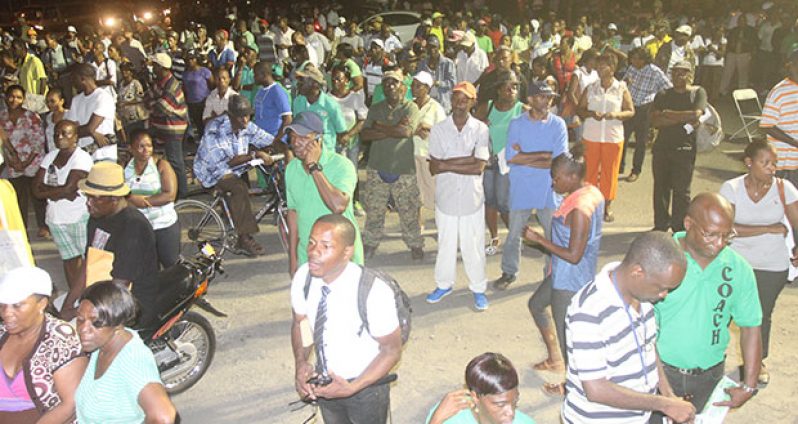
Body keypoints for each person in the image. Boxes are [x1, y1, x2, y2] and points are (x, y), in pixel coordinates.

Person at [562, 232, 697, 423]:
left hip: (637, 416)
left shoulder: (644, 296)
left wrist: (669, 395)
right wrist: (663, 404)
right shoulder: (589, 311)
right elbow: (596, 389)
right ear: (637, 272)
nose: (664, 295)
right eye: (662, 287)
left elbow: (648, 347)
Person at [655, 193, 762, 412]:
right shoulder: (660, 256)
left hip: (709, 376)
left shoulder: (738, 268)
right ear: (688, 224)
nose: (719, 243)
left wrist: (749, 384)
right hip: (657, 372)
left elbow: (751, 327)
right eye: (710, 235)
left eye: (726, 235)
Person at [291, 214, 401, 423]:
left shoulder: (372, 291)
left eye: (326, 245)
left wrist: (352, 387)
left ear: (347, 252)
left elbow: (391, 350)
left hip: (366, 387)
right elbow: (302, 323)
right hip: (326, 380)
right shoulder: (303, 277)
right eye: (312, 242)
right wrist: (302, 362)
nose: (314, 252)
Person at [719, 140, 798, 385]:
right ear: (749, 163)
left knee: (761, 315)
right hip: (734, 262)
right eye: (765, 163)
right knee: (723, 312)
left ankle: (757, 361)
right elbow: (726, 228)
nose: (771, 168)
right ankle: (713, 357)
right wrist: (768, 228)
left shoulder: (785, 189)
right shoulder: (731, 188)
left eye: (774, 163)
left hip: (771, 263)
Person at [524, 152, 604, 394]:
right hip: (561, 272)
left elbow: (573, 255)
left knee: (567, 334)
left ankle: (573, 386)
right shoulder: (589, 191)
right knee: (536, 304)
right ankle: (554, 359)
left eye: (556, 178)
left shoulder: (579, 210)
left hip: (570, 279)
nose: (553, 182)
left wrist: (538, 240)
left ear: (571, 176)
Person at [493, 82, 568, 290]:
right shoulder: (517, 123)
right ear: (531, 99)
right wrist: (544, 155)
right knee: (514, 233)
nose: (547, 101)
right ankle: (509, 272)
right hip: (522, 186)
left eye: (550, 97)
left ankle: (551, 275)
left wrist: (525, 155)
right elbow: (511, 157)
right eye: (543, 97)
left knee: (553, 235)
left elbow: (558, 161)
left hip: (549, 187)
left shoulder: (558, 124)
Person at [425, 82, 490, 311]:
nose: (459, 103)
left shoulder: (480, 129)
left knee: (473, 246)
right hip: (447, 197)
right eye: (456, 98)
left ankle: (479, 288)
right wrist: (466, 160)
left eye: (465, 99)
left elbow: (479, 167)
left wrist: (446, 163)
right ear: (451, 101)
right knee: (446, 244)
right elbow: (434, 168)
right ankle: (444, 284)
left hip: (472, 199)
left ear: (473, 102)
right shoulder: (439, 129)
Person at [75, 281, 176, 423]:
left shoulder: (132, 361)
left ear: (117, 324)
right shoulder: (103, 344)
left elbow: (163, 416)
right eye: (80, 319)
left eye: (96, 322)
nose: (83, 329)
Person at [0, 266, 87, 423]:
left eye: (17, 305)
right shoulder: (2, 334)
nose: (6, 313)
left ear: (41, 304)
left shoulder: (60, 338)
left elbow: (71, 404)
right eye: (2, 304)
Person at [193, 95, 274, 257]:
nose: (245, 120)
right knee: (239, 188)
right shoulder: (216, 129)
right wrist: (255, 154)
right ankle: (243, 238)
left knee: (239, 187)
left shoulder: (246, 125)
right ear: (230, 116)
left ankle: (233, 217)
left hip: (234, 169)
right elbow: (228, 162)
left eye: (248, 115)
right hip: (211, 171)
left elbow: (267, 139)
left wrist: (285, 148)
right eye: (241, 116)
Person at [286, 111, 362, 275]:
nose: (296, 143)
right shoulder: (292, 169)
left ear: (318, 140)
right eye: (292, 137)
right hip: (308, 257)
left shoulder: (342, 165)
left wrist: (314, 167)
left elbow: (338, 205)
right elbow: (293, 214)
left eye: (304, 137)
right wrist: (293, 259)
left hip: (340, 258)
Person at [360, 68, 424, 261]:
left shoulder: (410, 108)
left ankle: (415, 245)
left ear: (402, 87)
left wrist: (379, 127)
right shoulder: (376, 108)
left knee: (409, 211)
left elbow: (406, 132)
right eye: (386, 83)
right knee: (375, 210)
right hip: (377, 167)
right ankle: (370, 244)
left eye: (394, 82)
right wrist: (393, 129)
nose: (390, 86)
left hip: (403, 169)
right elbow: (364, 134)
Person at [32, 120, 93, 302]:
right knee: (69, 259)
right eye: (56, 134)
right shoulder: (50, 156)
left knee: (87, 260)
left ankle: (90, 297)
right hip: (55, 218)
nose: (60, 137)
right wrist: (60, 192)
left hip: (78, 216)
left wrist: (48, 191)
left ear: (75, 137)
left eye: (65, 133)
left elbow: (70, 188)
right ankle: (75, 297)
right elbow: (35, 189)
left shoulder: (81, 158)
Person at [577, 53, 635, 222]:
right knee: (590, 172)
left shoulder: (621, 88)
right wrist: (590, 113)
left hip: (613, 137)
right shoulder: (591, 87)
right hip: (592, 136)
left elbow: (630, 111)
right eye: (599, 66)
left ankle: (606, 206)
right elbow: (580, 109)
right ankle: (590, 204)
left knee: (610, 173)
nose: (600, 69)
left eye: (604, 66)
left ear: (613, 68)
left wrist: (615, 115)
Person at [650, 60, 706, 232]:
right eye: (675, 72)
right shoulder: (663, 94)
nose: (678, 76)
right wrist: (684, 117)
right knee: (660, 188)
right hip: (662, 148)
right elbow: (655, 120)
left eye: (683, 72)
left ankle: (679, 227)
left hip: (685, 149)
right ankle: (660, 225)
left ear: (690, 75)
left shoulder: (698, 93)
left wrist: (668, 114)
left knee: (682, 192)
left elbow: (696, 114)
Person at [480, 70, 525, 256]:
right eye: (508, 86)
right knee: (489, 201)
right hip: (488, 162)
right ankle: (494, 237)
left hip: (509, 165)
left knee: (504, 203)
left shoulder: (522, 109)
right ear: (498, 89)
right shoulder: (487, 107)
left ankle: (515, 238)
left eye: (515, 86)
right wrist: (481, 122)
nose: (512, 90)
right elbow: (471, 126)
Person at [425, 352, 536, 424]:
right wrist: (435, 421)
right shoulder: (448, 416)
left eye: (514, 401)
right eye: (500, 404)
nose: (511, 413)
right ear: (475, 397)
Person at [124, 130, 179, 268]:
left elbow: (170, 194)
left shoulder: (161, 165)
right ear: (130, 148)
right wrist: (130, 198)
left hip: (162, 224)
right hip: (138, 226)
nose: (146, 150)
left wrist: (143, 202)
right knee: (147, 267)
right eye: (141, 146)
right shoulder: (124, 167)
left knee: (170, 264)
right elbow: (118, 191)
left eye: (149, 145)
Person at [0, 84, 47, 238]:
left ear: (24, 99)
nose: (15, 100)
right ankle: (21, 229)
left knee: (37, 195)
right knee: (19, 199)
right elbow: (3, 143)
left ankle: (43, 226)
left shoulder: (32, 117)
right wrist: (11, 162)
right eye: (12, 96)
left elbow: (38, 142)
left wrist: (25, 163)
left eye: (19, 97)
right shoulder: (2, 117)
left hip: (32, 162)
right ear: (6, 98)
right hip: (13, 164)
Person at [621, 47, 671, 182]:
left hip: (644, 108)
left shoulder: (655, 72)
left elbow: (668, 88)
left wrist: (657, 104)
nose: (633, 60)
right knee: (622, 138)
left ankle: (636, 170)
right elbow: (623, 83)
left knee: (640, 142)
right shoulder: (631, 68)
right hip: (629, 106)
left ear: (643, 60)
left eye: (636, 58)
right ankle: (620, 166)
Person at [148, 53, 189, 199]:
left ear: (161, 67)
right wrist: (154, 105)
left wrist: (153, 105)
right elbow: (148, 100)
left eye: (155, 65)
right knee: (163, 160)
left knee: (175, 161)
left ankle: (182, 193)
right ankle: (171, 188)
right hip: (161, 127)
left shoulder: (172, 84)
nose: (152, 68)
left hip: (173, 128)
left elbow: (162, 107)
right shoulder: (158, 83)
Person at [760, 49, 798, 189]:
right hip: (782, 161)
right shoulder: (779, 91)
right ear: (790, 66)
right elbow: (767, 125)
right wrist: (794, 142)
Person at [65, 63, 117, 162]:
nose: (72, 83)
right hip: (84, 155)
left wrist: (90, 131)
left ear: (82, 79)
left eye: (73, 79)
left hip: (103, 155)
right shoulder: (76, 100)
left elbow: (89, 127)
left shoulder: (103, 97)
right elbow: (71, 129)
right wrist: (90, 132)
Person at [411, 71, 447, 214]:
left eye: (418, 86)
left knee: (433, 189)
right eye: (413, 85)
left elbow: (444, 132)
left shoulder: (435, 107)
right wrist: (415, 130)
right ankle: (418, 225)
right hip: (411, 153)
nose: (414, 88)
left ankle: (441, 220)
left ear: (427, 88)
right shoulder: (409, 106)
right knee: (415, 192)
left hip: (428, 155)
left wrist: (428, 128)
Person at [292, 66, 348, 152]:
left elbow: (342, 132)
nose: (298, 84)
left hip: (326, 153)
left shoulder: (330, 104)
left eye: (302, 81)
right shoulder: (298, 102)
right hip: (304, 151)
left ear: (315, 84)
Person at [329, 64, 367, 174]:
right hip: (333, 144)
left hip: (352, 143)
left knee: (351, 173)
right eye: (333, 79)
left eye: (338, 79)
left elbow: (362, 120)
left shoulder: (355, 97)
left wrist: (348, 135)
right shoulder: (327, 98)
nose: (335, 82)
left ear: (346, 80)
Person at [253, 61, 292, 144]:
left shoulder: (277, 91)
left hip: (273, 138)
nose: (254, 77)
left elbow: (288, 119)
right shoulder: (260, 91)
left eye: (256, 75)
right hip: (260, 138)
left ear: (264, 75)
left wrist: (276, 141)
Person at [419, 36, 456, 113]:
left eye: (434, 47)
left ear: (439, 47)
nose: (432, 49)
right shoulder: (422, 63)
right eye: (429, 47)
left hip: (443, 104)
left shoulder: (448, 63)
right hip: (427, 104)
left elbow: (453, 83)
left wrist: (438, 83)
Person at [182, 51, 212, 138]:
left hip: (204, 102)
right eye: (188, 59)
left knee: (206, 123)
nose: (190, 61)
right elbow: (184, 88)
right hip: (192, 103)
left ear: (196, 59)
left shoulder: (204, 71)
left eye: (192, 59)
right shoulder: (185, 73)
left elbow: (211, 85)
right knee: (198, 124)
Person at [117, 63, 149, 138]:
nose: (124, 72)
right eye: (122, 70)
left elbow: (140, 98)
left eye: (126, 70)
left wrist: (126, 103)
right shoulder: (121, 84)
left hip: (136, 116)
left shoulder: (136, 83)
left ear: (131, 72)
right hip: (126, 116)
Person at [42, 88, 68, 153]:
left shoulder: (70, 115)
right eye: (47, 102)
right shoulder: (47, 118)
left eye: (52, 101)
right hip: (52, 154)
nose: (49, 104)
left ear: (62, 101)